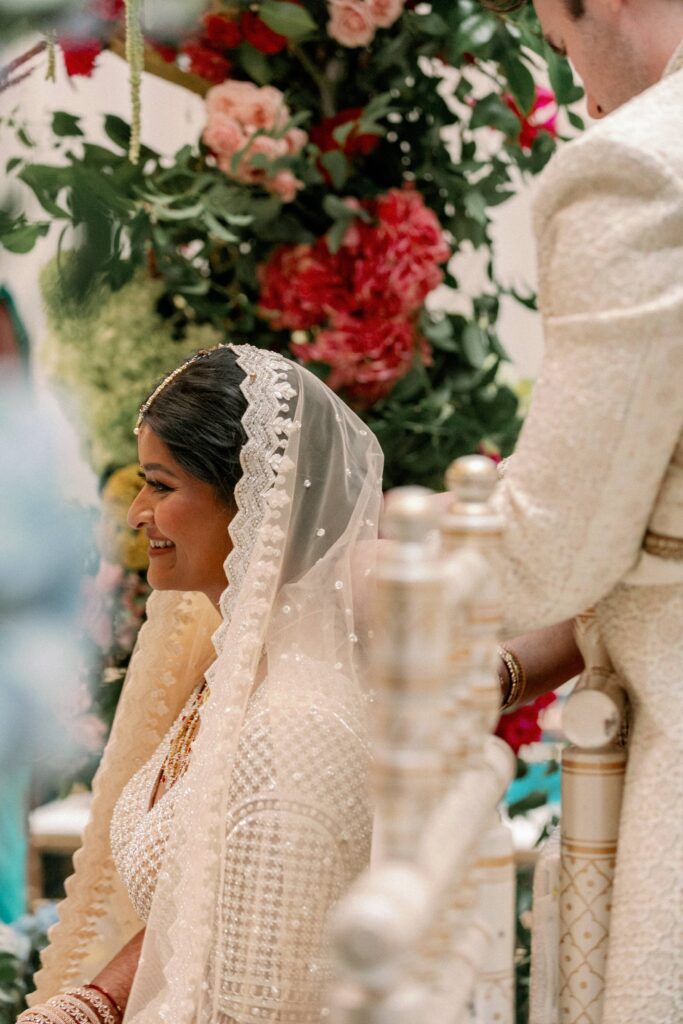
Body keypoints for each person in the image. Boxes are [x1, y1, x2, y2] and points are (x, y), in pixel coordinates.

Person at [21, 343, 384, 1024]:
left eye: (160, 485)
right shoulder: (231, 676)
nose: (136, 515)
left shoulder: (295, 725)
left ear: (251, 500)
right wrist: (88, 1006)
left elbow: (266, 1002)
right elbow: (198, 913)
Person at [478, 2, 683, 1021]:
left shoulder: (640, 166)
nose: (580, 97)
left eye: (561, 49)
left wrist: (358, 566)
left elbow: (554, 547)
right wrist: (511, 665)